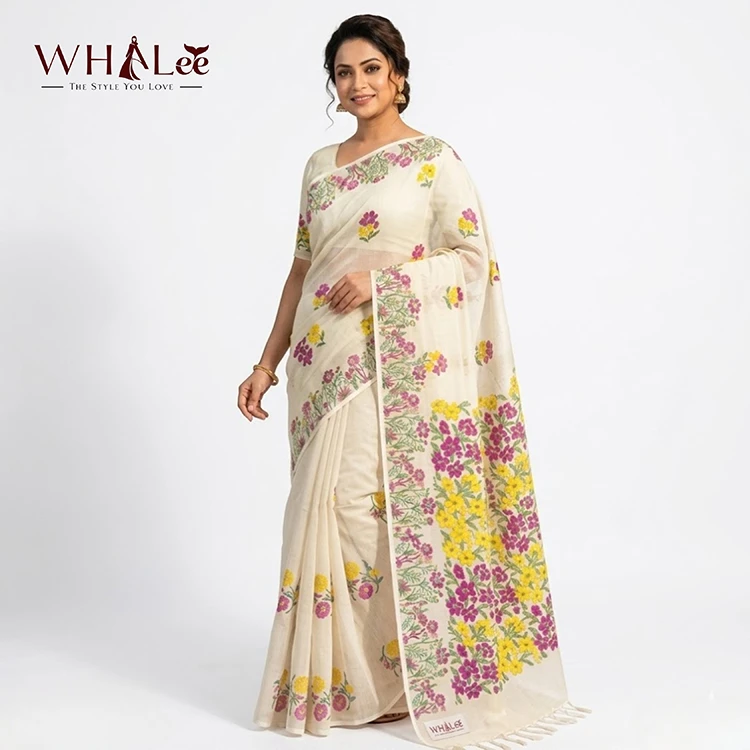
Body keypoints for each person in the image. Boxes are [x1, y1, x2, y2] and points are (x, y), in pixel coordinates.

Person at [238, 14, 590, 749]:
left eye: (371, 69)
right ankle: (336, 682)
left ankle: (395, 684)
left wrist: (384, 283)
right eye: (343, 73)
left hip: (384, 363)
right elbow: (302, 270)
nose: (357, 83)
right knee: (316, 514)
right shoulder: (320, 166)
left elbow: (471, 260)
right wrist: (267, 362)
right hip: (317, 365)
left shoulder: (434, 161)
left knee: (365, 512)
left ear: (398, 75)